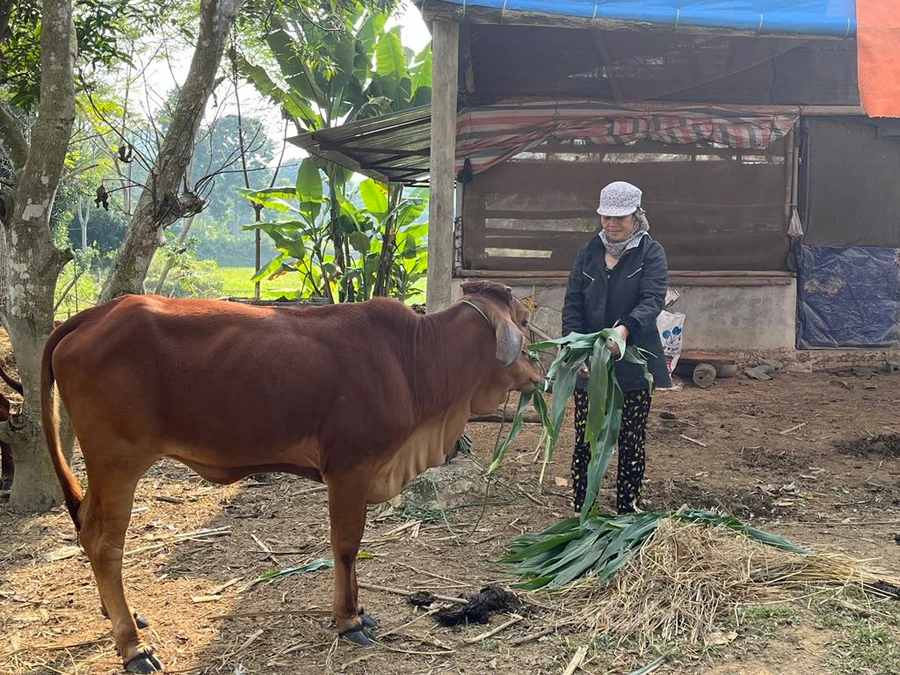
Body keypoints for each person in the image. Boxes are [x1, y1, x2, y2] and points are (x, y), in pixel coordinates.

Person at [561, 181, 671, 514]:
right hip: (590, 359)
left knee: (630, 439)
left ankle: (628, 508)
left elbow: (652, 300)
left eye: (620, 217)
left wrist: (623, 331)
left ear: (636, 215)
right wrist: (576, 348)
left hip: (633, 360)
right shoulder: (588, 251)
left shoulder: (651, 252)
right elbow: (573, 303)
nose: (612, 224)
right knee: (586, 436)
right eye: (606, 217)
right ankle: (583, 505)